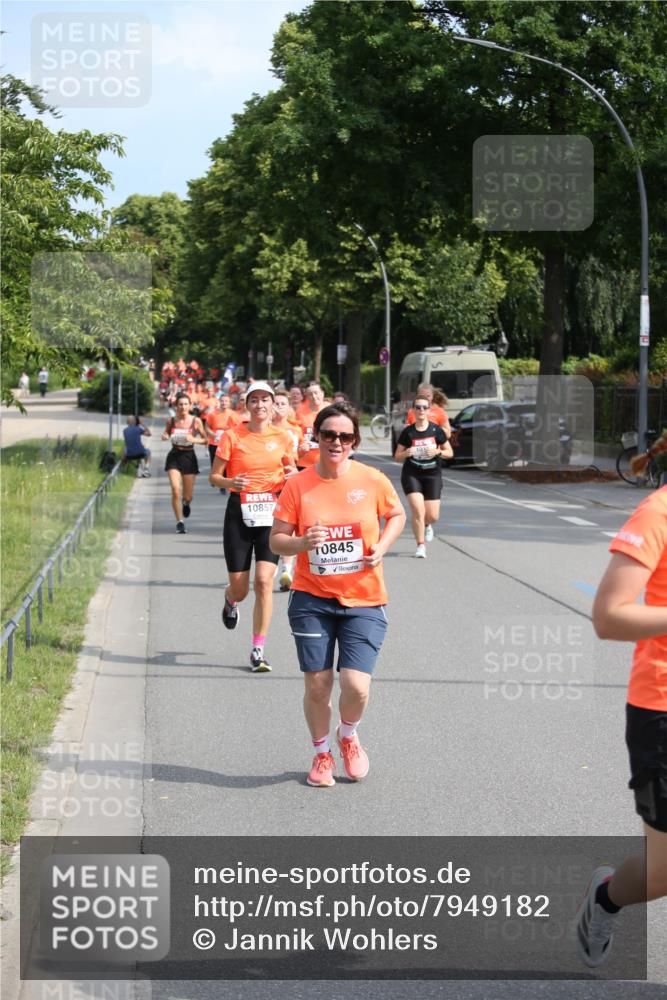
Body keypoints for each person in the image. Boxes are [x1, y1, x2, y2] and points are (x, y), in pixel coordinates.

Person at [271, 403, 406, 787]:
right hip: (312, 598)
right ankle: (321, 754)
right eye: (329, 434)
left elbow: (396, 515)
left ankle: (347, 735)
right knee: (317, 684)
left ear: (354, 442)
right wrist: (300, 542)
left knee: (357, 685)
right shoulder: (298, 484)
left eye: (345, 436)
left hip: (364, 597)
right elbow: (275, 540)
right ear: (316, 436)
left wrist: (382, 545)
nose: (336, 442)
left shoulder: (372, 479)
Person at [576, 476, 667, 968]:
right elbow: (610, 616)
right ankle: (607, 897)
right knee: (662, 875)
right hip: (662, 708)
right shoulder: (659, 513)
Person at [209, 381, 296, 673]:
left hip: (271, 511)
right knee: (241, 588)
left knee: (263, 582)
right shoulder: (232, 436)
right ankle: (230, 599)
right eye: (254, 400)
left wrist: (293, 474)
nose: (260, 405)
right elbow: (214, 477)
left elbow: (291, 471)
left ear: (273, 405)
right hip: (239, 511)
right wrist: (230, 483)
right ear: (247, 405)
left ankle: (258, 649)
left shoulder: (283, 437)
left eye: (265, 400)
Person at [394, 394, 451, 557]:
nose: (421, 410)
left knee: (432, 515)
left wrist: (437, 451)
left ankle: (427, 525)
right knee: (418, 510)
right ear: (413, 410)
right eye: (417, 407)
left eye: (424, 407)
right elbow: (397, 456)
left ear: (429, 410)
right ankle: (420, 546)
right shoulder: (408, 432)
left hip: (432, 474)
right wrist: (406, 453)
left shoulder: (436, 430)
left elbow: (450, 452)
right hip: (412, 474)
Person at [161, 394, 207, 533]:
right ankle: (179, 522)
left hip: (189, 457)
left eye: (186, 404)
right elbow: (166, 434)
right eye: (180, 404)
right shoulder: (171, 420)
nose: (183, 407)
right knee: (175, 490)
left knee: (187, 495)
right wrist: (165, 436)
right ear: (176, 406)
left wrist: (193, 439)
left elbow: (205, 440)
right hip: (174, 456)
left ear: (190, 406)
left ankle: (186, 503)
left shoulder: (196, 421)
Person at [272, 390, 303, 590]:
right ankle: (269, 563)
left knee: (287, 525)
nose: (280, 406)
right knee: (269, 526)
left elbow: (298, 457)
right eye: (277, 403)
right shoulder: (264, 429)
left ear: (289, 407)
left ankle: (286, 569)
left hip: (289, 480)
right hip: (268, 483)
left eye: (284, 403)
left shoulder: (295, 429)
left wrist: (303, 452)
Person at [296, 382, 327, 470]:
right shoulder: (299, 413)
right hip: (305, 463)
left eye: (316, 393)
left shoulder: (331, 412)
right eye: (310, 394)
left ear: (322, 393)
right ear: (306, 396)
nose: (314, 396)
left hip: (326, 462)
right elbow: (296, 435)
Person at [205, 392, 239, 467]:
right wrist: (214, 435)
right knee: (215, 467)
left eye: (226, 401)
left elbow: (238, 429)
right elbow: (207, 427)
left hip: (228, 444)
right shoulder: (212, 414)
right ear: (219, 402)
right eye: (222, 401)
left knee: (228, 468)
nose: (224, 403)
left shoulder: (234, 414)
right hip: (214, 444)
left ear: (229, 403)